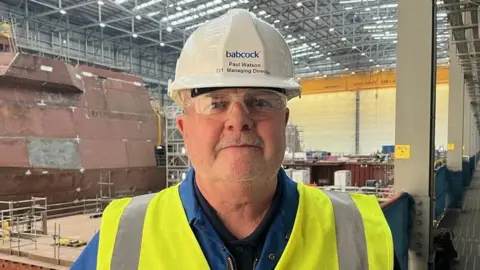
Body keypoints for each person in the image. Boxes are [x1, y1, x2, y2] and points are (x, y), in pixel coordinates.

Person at [71, 8, 400, 270]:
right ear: (184, 128)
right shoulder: (124, 238)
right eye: (216, 103)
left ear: (283, 122)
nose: (239, 121)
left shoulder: (359, 233)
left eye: (260, 102)